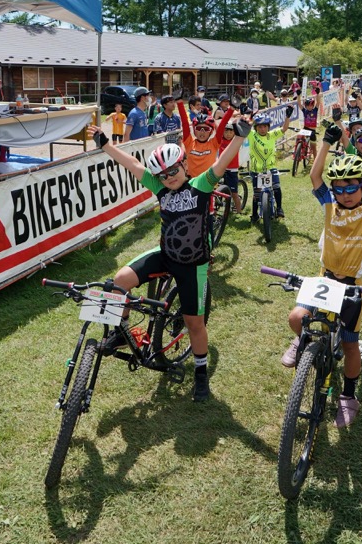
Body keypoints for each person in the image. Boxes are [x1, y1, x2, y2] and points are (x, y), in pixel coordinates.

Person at [85, 120, 250, 401]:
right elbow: (133, 165)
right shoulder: (160, 187)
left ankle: (200, 374)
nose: (169, 177)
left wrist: (239, 137)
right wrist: (106, 145)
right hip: (165, 255)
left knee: (193, 322)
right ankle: (120, 331)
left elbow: (221, 163)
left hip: (192, 265)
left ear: (184, 165)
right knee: (119, 282)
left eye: (173, 170)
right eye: (162, 174)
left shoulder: (201, 185)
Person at [279, 122, 362, 428]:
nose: (345, 194)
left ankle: (348, 396)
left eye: (352, 188)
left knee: (349, 345)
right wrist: (326, 142)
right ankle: (303, 341)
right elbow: (314, 176)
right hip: (324, 277)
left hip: (352, 286)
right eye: (340, 188)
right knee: (296, 319)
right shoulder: (330, 204)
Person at [247, 109, 293, 222]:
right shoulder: (252, 135)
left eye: (264, 127)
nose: (262, 129)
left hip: (271, 168)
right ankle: (254, 215)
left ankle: (280, 208)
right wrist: (248, 117)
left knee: (276, 187)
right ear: (256, 127)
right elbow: (245, 127)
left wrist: (287, 117)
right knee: (256, 194)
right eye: (260, 127)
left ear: (268, 127)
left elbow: (284, 128)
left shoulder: (272, 135)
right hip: (256, 170)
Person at [177, 96, 234, 178]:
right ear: (194, 130)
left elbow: (223, 124)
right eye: (199, 128)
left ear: (211, 131)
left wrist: (231, 108)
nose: (202, 131)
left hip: (208, 183)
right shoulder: (189, 142)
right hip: (191, 182)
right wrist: (179, 102)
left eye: (206, 129)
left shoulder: (214, 143)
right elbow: (184, 122)